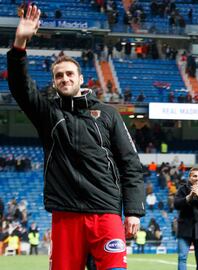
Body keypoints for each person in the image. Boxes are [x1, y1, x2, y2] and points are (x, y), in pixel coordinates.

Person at [7, 5, 145, 270]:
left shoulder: (108, 114)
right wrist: (20, 43)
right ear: (55, 82)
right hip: (66, 213)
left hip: (106, 211)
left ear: (81, 78)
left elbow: (129, 162)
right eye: (59, 76)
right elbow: (21, 88)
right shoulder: (48, 113)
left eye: (70, 74)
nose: (64, 78)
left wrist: (134, 210)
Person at [174, 167, 198, 270]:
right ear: (189, 177)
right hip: (184, 228)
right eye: (194, 176)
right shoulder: (182, 189)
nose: (197, 178)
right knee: (182, 257)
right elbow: (176, 205)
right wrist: (189, 197)